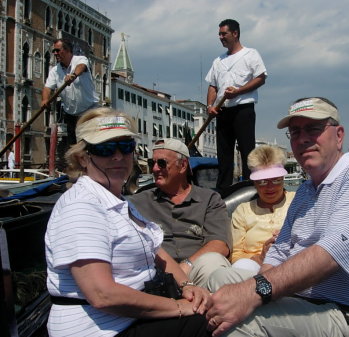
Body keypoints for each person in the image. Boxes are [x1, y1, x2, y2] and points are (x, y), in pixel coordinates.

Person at [206, 97, 349, 337]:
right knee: (220, 283)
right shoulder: (306, 190)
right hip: (304, 301)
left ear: (339, 135)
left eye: (313, 128)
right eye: (295, 131)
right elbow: (278, 251)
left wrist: (254, 292)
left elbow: (328, 256)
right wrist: (254, 294)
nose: (303, 138)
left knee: (239, 321)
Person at [45, 108, 211, 337]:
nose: (118, 156)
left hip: (130, 320)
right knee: (216, 321)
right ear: (83, 157)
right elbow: (102, 294)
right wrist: (179, 307)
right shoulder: (81, 206)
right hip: (100, 329)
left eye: (126, 147)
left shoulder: (119, 201)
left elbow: (156, 251)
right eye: (104, 148)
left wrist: (187, 286)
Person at [128, 138, 232, 287]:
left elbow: (219, 245)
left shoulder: (209, 199)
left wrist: (185, 266)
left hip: (197, 270)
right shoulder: (137, 202)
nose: (155, 169)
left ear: (182, 166)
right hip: (155, 273)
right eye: (152, 163)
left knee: (214, 262)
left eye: (162, 163)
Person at [205, 19, 267, 191]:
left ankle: (250, 187)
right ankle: (223, 190)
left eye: (223, 33)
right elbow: (212, 85)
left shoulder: (251, 54)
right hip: (222, 111)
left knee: (247, 151)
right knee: (223, 153)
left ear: (235, 33)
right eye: (219, 34)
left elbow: (261, 78)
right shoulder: (218, 61)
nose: (220, 37)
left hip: (243, 109)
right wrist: (210, 105)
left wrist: (238, 92)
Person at [231, 145, 295, 273]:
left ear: (283, 179)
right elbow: (235, 255)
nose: (270, 187)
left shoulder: (297, 200)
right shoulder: (242, 211)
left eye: (276, 180)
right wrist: (261, 258)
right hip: (253, 267)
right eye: (262, 181)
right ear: (254, 183)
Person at [42, 38, 99, 146]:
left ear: (67, 50)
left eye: (57, 50)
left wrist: (73, 75)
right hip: (70, 113)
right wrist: (45, 99)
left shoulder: (80, 59)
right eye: (53, 51)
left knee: (89, 142)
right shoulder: (55, 70)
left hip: (89, 109)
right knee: (72, 146)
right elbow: (47, 88)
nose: (55, 53)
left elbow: (81, 67)